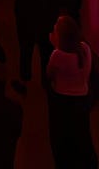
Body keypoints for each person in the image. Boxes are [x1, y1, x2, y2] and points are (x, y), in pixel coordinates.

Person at [46, 15, 98, 169]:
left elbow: (49, 75)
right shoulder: (85, 49)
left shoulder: (58, 55)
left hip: (62, 100)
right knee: (82, 134)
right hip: (82, 99)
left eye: (55, 30)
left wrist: (54, 46)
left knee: (61, 139)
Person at [13, 0, 61, 90]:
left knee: (26, 51)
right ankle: (46, 81)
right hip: (46, 23)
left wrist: (19, 22)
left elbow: (19, 6)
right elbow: (55, 4)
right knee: (46, 52)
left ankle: (25, 79)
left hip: (27, 23)